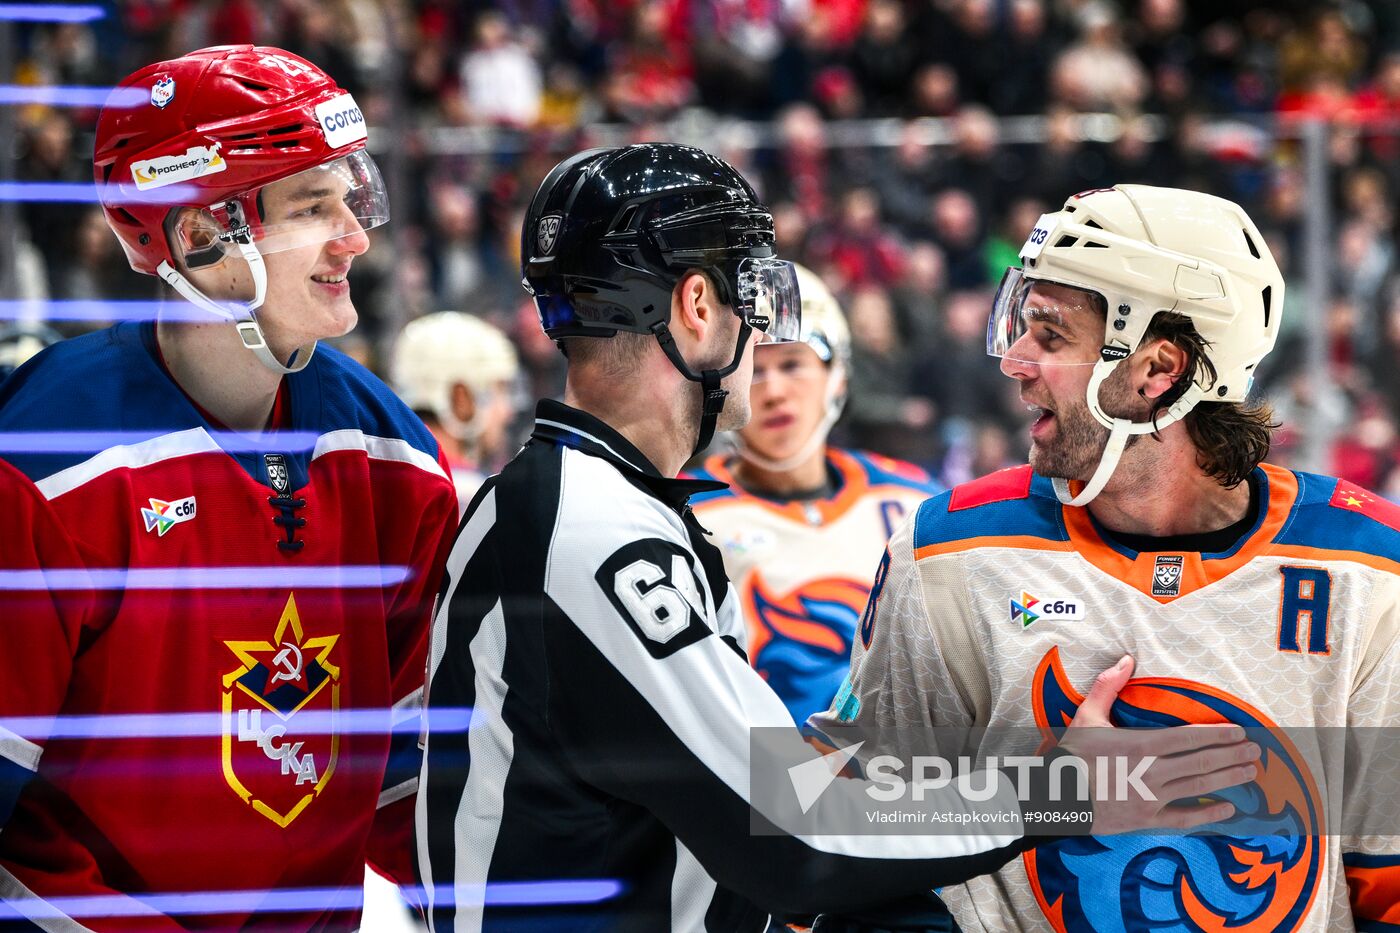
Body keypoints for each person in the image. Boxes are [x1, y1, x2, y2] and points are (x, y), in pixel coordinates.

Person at [415, 145, 1258, 931]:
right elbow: (794, 828)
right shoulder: (592, 531)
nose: (762, 341)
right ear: (697, 306)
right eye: (754, 296)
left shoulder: (572, 506)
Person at [812, 184, 1400, 931]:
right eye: (1021, 327)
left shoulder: (1370, 572)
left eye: (1051, 336)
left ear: (1158, 370)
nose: (1015, 362)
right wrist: (1046, 790)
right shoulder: (951, 550)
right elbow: (817, 812)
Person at [0, 46, 458, 929]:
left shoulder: (387, 454)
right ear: (199, 233)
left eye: (351, 195)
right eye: (311, 205)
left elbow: (419, 779)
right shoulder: (46, 463)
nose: (355, 235)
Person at [689, 264, 943, 726]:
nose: (775, 392)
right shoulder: (683, 513)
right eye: (753, 370)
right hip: (763, 780)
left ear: (838, 375)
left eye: (792, 364)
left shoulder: (914, 502)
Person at [391, 310, 522, 511]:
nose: (507, 412)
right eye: (500, 390)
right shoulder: (474, 496)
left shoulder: (382, 472)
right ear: (461, 397)